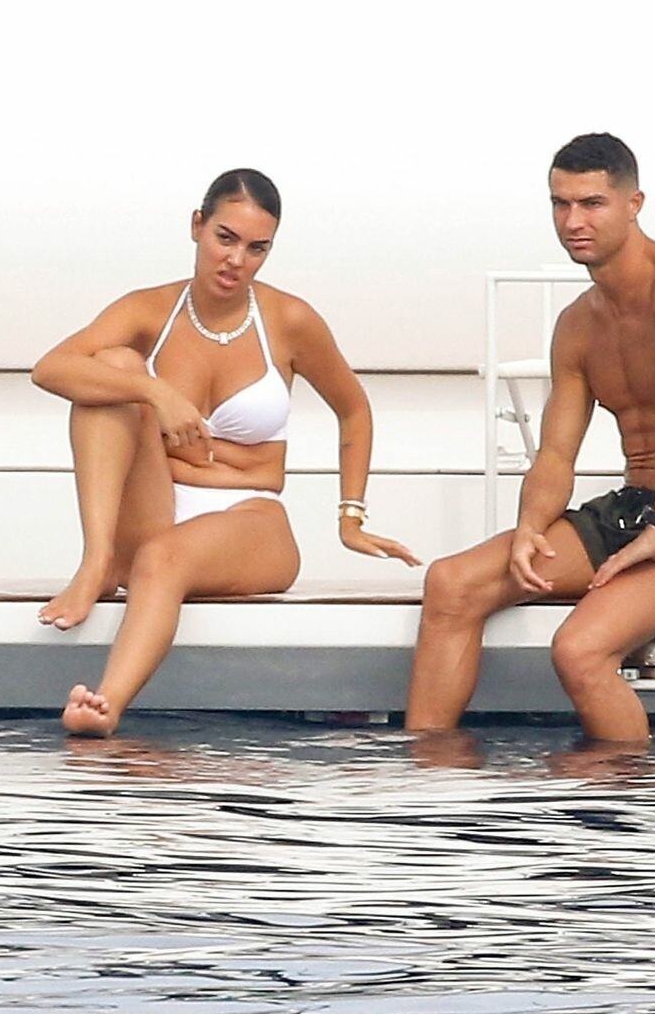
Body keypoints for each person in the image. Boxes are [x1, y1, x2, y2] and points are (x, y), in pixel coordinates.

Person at [31, 169, 419, 736]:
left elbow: (354, 409)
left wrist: (351, 516)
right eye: (225, 238)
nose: (236, 260)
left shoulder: (289, 320)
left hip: (248, 515)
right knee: (112, 368)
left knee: (162, 558)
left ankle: (105, 705)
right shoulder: (148, 310)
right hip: (157, 505)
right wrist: (155, 391)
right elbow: (50, 369)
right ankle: (97, 562)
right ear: (197, 226)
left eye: (256, 248)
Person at [405, 134, 655, 743]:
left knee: (578, 650)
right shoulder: (577, 324)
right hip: (630, 511)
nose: (573, 222)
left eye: (592, 203)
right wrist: (529, 527)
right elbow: (555, 454)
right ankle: (428, 774)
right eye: (561, 204)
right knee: (452, 583)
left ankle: (631, 796)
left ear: (633, 203)